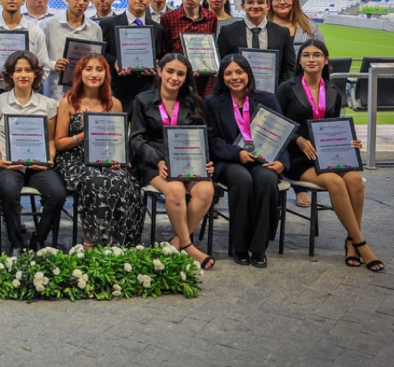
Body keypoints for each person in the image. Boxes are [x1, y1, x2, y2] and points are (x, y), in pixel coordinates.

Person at [275, 40, 383, 272]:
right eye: (306, 55)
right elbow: (277, 124)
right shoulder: (286, 88)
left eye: (316, 55)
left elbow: (333, 127)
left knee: (354, 180)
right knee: (335, 182)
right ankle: (361, 244)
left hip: (326, 154)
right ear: (300, 61)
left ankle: (351, 240)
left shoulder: (333, 91)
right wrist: (297, 138)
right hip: (296, 157)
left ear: (325, 60)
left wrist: (349, 142)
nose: (311, 59)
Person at [129, 53, 216, 269]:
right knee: (176, 191)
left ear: (186, 77)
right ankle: (189, 247)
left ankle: (176, 242)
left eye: (180, 73)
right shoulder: (143, 100)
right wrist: (157, 160)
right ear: (159, 70)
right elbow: (136, 138)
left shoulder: (194, 102)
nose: (174, 77)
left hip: (188, 161)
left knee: (205, 192)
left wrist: (206, 161)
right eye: (170, 71)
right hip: (153, 161)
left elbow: (202, 136)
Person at [52, 54, 144, 248]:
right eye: (89, 69)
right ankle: (91, 242)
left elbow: (118, 140)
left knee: (126, 183)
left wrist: (121, 157)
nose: (94, 74)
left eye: (99, 69)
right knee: (98, 182)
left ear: (106, 74)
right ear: (80, 73)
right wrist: (86, 133)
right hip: (75, 160)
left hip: (106, 158)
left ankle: (120, 245)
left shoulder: (114, 104)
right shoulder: (68, 102)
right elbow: (59, 143)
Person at [206, 54, 286, 267]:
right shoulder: (212, 102)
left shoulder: (267, 99)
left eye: (239, 72)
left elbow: (282, 135)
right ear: (222, 77)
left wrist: (283, 162)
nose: (235, 77)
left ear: (248, 74)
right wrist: (236, 153)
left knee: (267, 181)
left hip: (262, 161)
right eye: (229, 73)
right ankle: (239, 246)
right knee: (242, 181)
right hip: (228, 161)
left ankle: (258, 247)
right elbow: (212, 140)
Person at [0, 50, 63, 252]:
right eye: (18, 70)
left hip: (38, 165)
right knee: (9, 191)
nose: (23, 75)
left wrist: (50, 159)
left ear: (36, 74)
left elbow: (51, 140)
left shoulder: (48, 104)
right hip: (8, 165)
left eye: (28, 70)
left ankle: (39, 238)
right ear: (10, 75)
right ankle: (16, 243)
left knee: (58, 194)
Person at [100, 0, 169, 108]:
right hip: (116, 89)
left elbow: (160, 56)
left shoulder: (157, 29)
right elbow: (102, 54)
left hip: (146, 89)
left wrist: (156, 65)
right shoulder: (108, 24)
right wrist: (116, 62)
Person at [217, 0, 296, 87]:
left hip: (272, 95)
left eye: (260, 2)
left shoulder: (282, 33)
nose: (255, 6)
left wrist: (280, 90)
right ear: (243, 6)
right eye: (250, 2)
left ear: (268, 6)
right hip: (237, 93)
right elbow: (222, 64)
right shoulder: (228, 32)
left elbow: (289, 67)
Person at [39, 0, 103, 97]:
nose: (81, 3)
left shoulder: (95, 29)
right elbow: (38, 58)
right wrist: (53, 64)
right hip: (54, 91)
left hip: (83, 92)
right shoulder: (49, 25)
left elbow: (97, 60)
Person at [160, 0, 218, 95]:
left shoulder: (211, 17)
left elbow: (211, 47)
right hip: (178, 79)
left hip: (204, 80)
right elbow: (165, 50)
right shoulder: (168, 18)